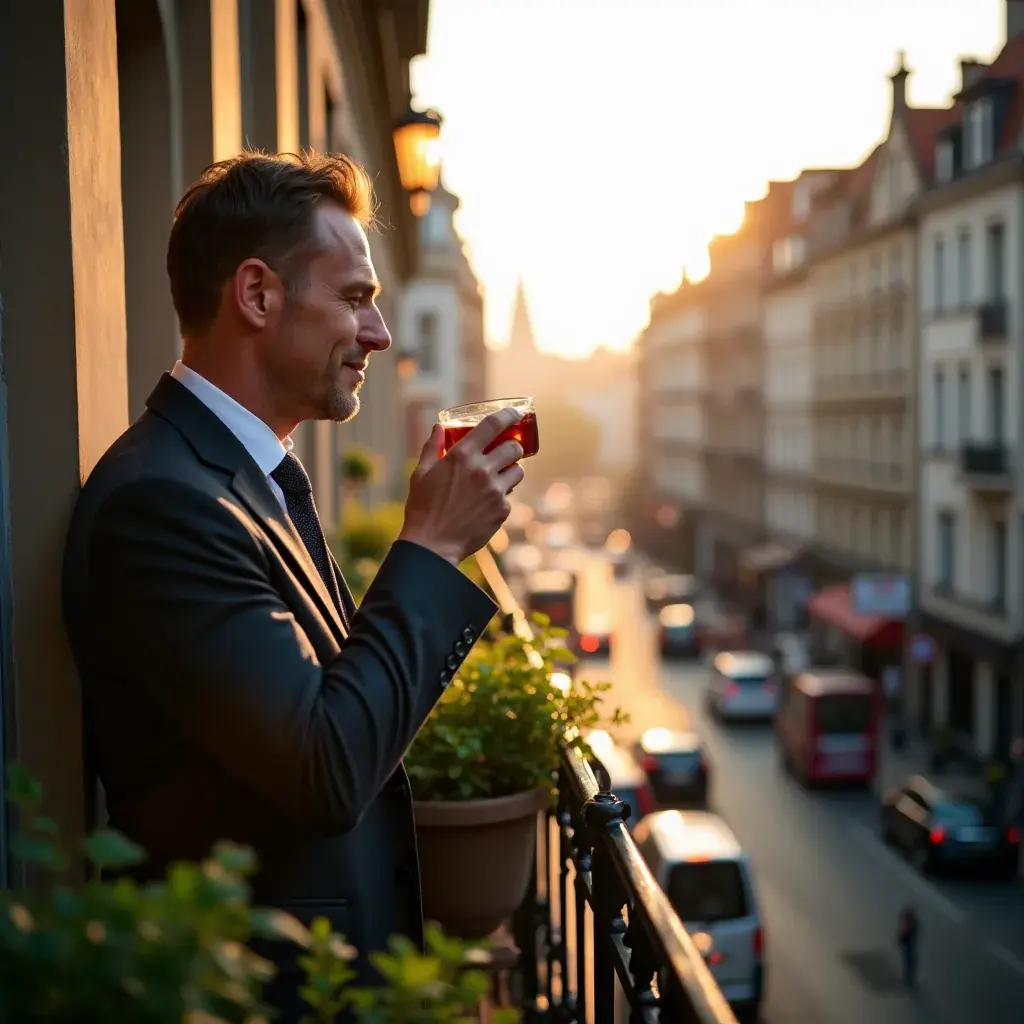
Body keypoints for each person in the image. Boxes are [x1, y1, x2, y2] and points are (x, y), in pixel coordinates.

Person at [61, 152, 525, 1019]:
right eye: (354, 297)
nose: (381, 334)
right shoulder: (162, 503)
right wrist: (428, 547)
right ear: (258, 296)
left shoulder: (244, 474)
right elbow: (327, 767)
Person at [896, 905, 919, 989]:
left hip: (908, 944)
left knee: (908, 961)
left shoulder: (908, 924)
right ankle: (909, 979)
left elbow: (904, 934)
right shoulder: (914, 923)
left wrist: (900, 941)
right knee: (910, 961)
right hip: (910, 944)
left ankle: (908, 979)